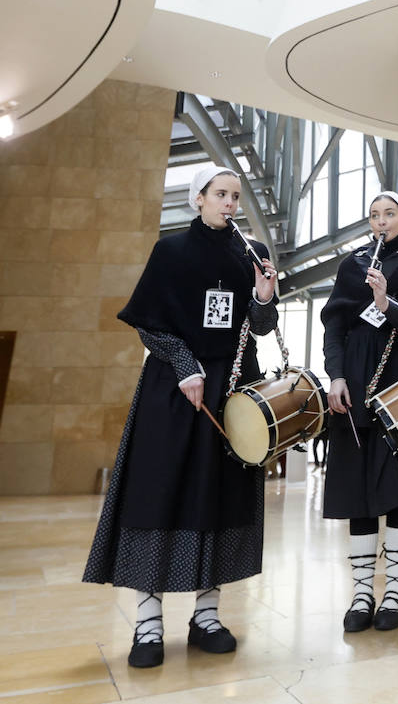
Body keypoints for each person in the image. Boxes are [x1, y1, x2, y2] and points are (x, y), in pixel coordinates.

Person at [83, 165, 278, 669]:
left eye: (236, 196)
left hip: (230, 391)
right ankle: (148, 622)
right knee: (161, 490)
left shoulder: (249, 254)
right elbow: (150, 323)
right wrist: (187, 366)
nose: (230, 203)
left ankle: (206, 616)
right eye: (221, 194)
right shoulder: (170, 251)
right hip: (173, 389)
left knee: (216, 493)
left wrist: (262, 293)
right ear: (198, 199)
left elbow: (259, 326)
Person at [320, 191, 398, 633]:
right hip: (352, 385)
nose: (381, 220)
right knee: (358, 493)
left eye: (389, 213)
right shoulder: (350, 265)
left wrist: (387, 302)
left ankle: (394, 592)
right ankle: (361, 593)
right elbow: (334, 325)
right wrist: (334, 376)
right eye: (374, 214)